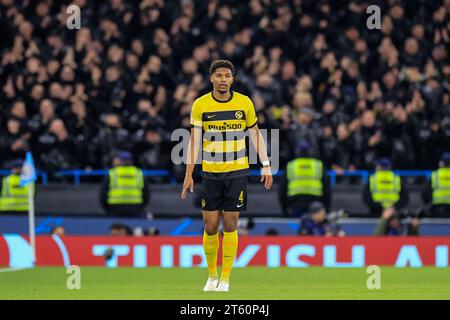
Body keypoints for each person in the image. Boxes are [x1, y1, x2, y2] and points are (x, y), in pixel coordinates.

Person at [181, 60, 273, 292]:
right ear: (211, 78)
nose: (223, 80)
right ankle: (211, 276)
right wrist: (188, 173)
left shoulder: (244, 103)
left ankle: (225, 278)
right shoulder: (201, 105)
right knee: (210, 226)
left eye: (227, 76)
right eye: (219, 75)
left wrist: (266, 164)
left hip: (237, 170)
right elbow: (194, 142)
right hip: (210, 173)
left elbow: (255, 134)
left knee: (231, 223)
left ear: (233, 79)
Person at [279, 141, 331, 216]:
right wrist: (326, 208)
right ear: (310, 151)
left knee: (297, 226)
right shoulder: (318, 165)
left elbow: (282, 189)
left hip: (295, 203)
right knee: (314, 226)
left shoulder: (291, 166)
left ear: (297, 151)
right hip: (315, 202)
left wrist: (284, 210)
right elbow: (327, 189)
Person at [100, 151, 149, 216]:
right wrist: (140, 207)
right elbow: (146, 194)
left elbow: (103, 194)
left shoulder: (112, 173)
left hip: (115, 207)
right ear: (131, 161)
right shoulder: (139, 173)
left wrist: (107, 209)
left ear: (119, 161)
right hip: (135, 207)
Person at [422, 152, 450, 217]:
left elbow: (424, 193)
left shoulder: (435, 175)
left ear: (441, 163)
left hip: (437, 210)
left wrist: (431, 202)